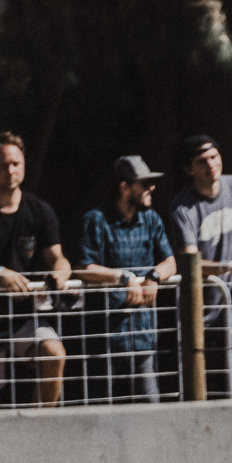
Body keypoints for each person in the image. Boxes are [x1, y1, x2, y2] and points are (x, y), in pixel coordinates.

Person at [0, 131, 68, 407]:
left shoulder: (40, 210)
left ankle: (40, 426)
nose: (11, 171)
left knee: (55, 355)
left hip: (25, 317)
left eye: (16, 163)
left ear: (24, 164)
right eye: (3, 165)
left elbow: (58, 257)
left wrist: (60, 273)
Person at [169, 134, 232, 396]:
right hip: (204, 315)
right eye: (202, 161)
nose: (211, 164)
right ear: (189, 170)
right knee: (211, 389)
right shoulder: (182, 207)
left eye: (214, 156)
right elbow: (189, 262)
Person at [76, 156, 176, 403]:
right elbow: (83, 267)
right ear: (125, 187)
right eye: (145, 183)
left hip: (143, 333)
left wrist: (154, 277)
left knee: (150, 408)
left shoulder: (151, 218)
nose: (152, 188)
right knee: (105, 412)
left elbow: (170, 261)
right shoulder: (96, 219)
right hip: (106, 337)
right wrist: (124, 277)